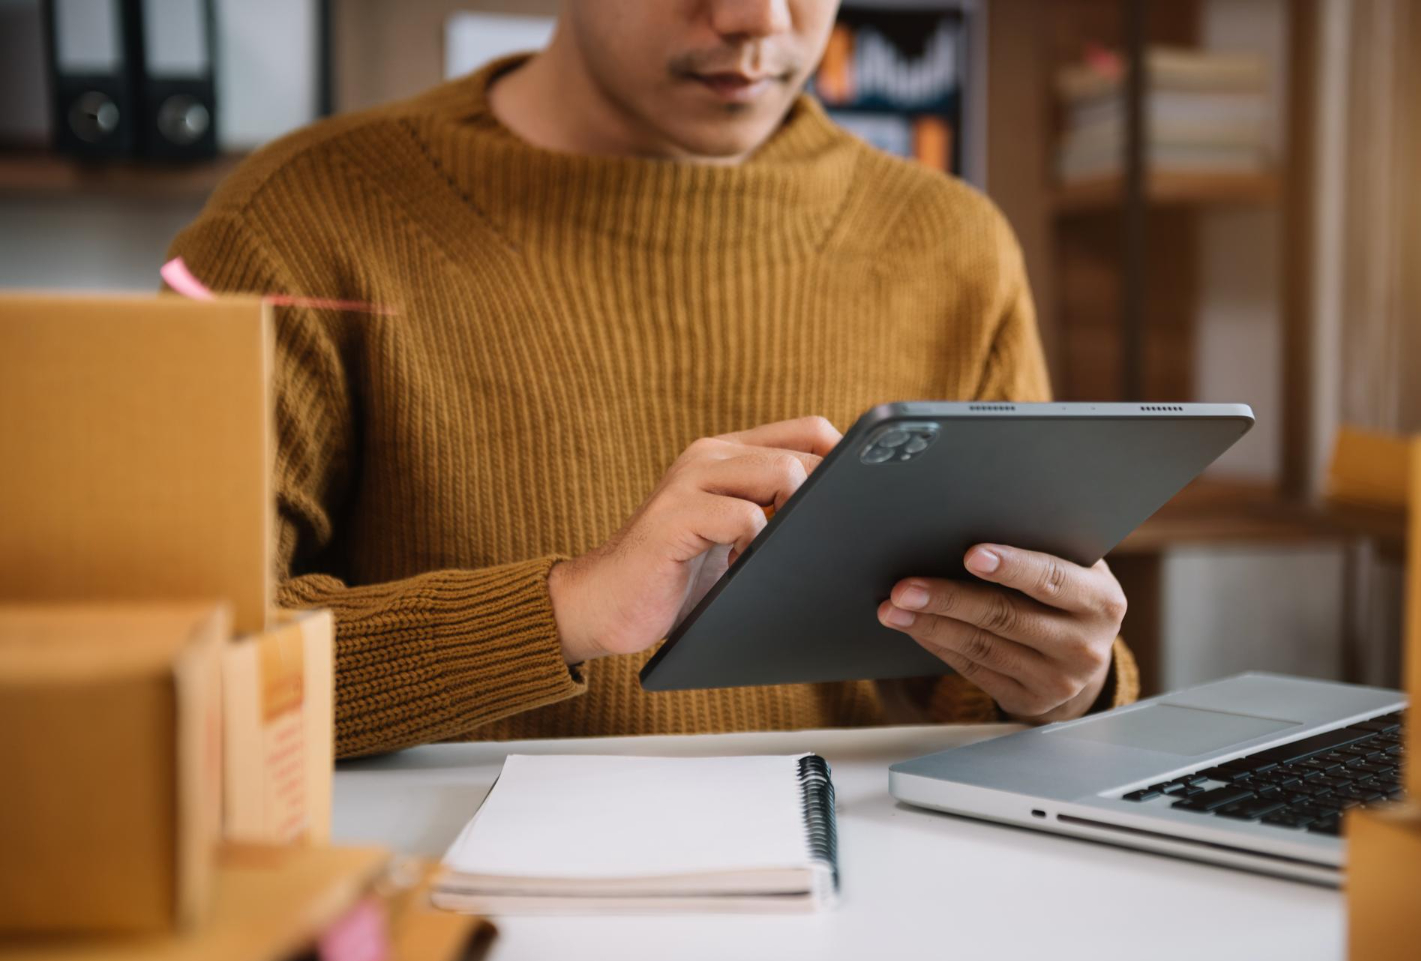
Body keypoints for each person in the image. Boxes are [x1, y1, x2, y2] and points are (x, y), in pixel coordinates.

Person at [168, 0, 1136, 758]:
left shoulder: (953, 243)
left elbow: (977, 685)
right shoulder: (296, 215)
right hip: (446, 914)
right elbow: (163, 663)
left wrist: (1065, 683)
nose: (760, 17)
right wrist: (567, 608)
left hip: (844, 907)